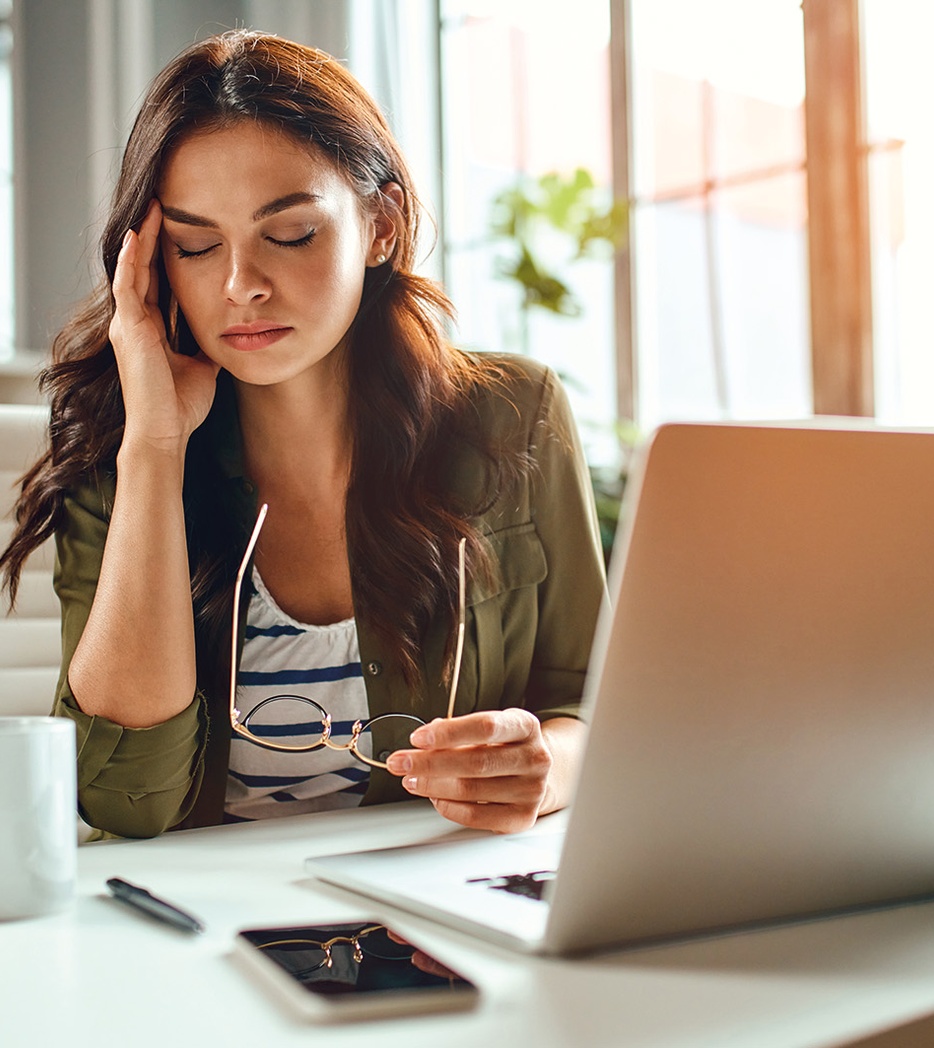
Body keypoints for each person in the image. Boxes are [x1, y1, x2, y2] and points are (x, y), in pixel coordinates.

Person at [0, 30, 605, 839]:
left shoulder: (512, 414)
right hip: (193, 929)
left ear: (381, 224)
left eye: (289, 234)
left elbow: (592, 704)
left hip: (425, 910)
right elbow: (124, 798)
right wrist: (153, 448)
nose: (241, 285)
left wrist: (545, 768)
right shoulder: (119, 446)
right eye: (195, 244)